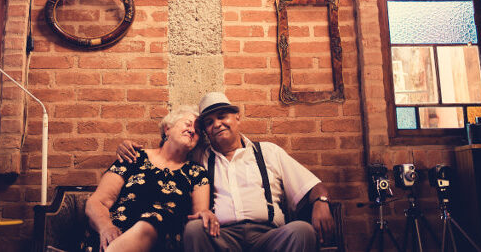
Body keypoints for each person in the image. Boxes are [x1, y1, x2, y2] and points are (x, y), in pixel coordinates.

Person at [117, 92, 335, 252]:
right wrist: (128, 148)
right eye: (209, 122)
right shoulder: (198, 156)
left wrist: (321, 201)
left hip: (269, 236)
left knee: (301, 230)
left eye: (223, 116)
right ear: (205, 132)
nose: (217, 124)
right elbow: (167, 156)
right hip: (220, 237)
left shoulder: (268, 152)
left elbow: (313, 185)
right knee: (194, 229)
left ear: (237, 117)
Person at [86, 106, 220, 252]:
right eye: (187, 124)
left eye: (198, 131)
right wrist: (106, 228)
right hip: (113, 237)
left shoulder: (197, 173)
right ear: (167, 129)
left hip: (163, 241)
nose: (192, 130)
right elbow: (97, 202)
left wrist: (206, 213)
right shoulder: (134, 157)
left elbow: (198, 217)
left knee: (154, 220)